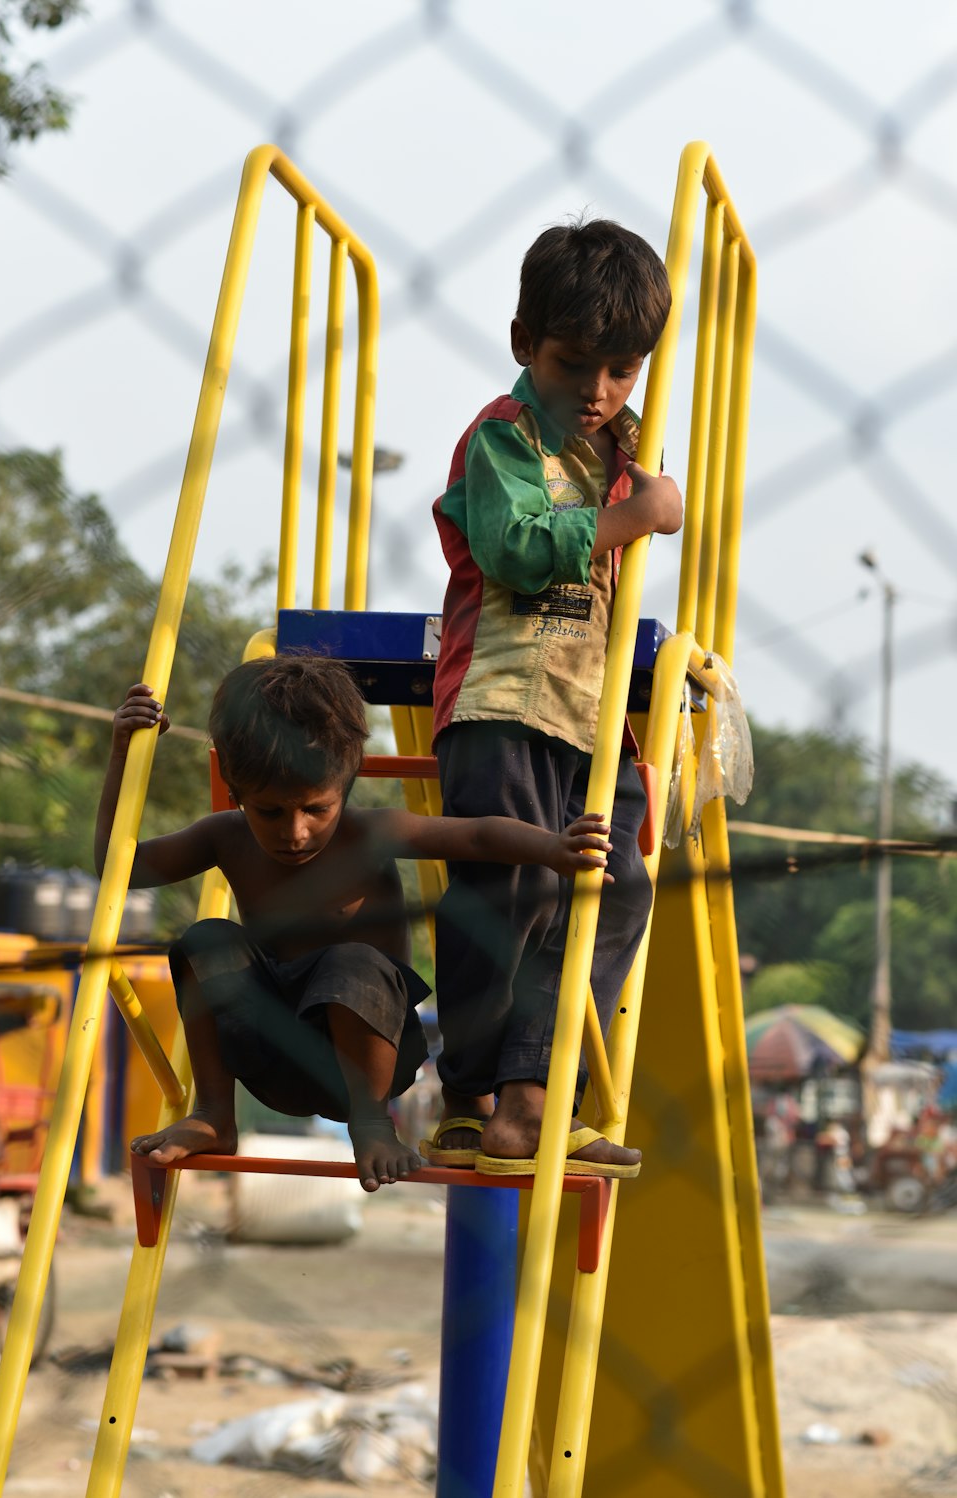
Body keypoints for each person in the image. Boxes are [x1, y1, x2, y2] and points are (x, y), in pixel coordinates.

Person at [96, 655, 616, 1192]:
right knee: (206, 938)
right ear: (234, 788)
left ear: (345, 787)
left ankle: (371, 1126)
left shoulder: (370, 834)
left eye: (315, 809)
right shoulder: (222, 836)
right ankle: (213, 1114)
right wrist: (124, 754)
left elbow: (479, 836)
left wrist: (553, 847)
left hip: (372, 1055)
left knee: (352, 961)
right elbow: (122, 867)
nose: (294, 832)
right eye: (270, 812)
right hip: (272, 1053)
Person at [427, 217, 684, 1179]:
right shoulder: (504, 435)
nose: (600, 391)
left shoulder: (616, 442)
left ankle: (533, 1093)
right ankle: (469, 1091)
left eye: (624, 370)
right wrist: (633, 515)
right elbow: (516, 550)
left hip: (590, 720)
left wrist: (633, 477)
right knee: (512, 886)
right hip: (503, 705)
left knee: (618, 889)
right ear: (524, 344)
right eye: (578, 364)